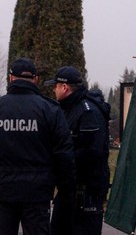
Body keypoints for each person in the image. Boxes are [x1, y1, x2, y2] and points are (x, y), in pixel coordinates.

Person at [0, 58, 75, 235]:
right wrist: (65, 191)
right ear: (36, 80)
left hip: (2, 193)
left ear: (11, 78)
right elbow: (64, 155)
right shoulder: (50, 110)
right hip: (37, 194)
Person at [45, 66, 110, 235]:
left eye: (55, 86)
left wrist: (61, 160)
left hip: (87, 189)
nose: (53, 89)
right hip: (69, 187)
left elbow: (92, 153)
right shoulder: (67, 108)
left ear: (64, 87)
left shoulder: (88, 112)